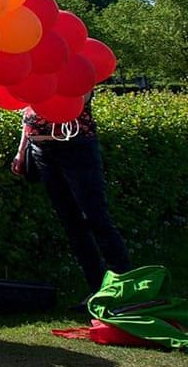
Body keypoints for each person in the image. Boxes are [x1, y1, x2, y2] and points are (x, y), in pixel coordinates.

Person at [13, 90, 130, 295]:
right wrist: (21, 151)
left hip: (76, 147)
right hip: (41, 148)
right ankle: (97, 289)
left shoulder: (73, 66)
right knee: (71, 223)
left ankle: (126, 286)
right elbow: (28, 114)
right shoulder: (32, 73)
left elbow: (79, 97)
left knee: (96, 217)